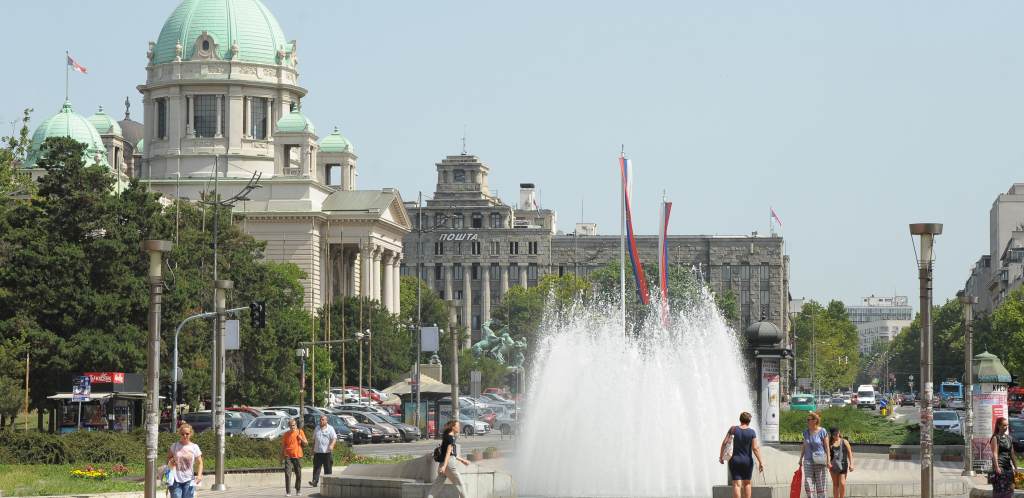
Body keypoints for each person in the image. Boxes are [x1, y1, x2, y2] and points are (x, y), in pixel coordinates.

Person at [718, 412, 764, 498]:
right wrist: (761, 462)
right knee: (747, 483)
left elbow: (724, 443)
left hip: (734, 461)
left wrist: (721, 457)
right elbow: (755, 448)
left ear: (740, 420)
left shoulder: (733, 429)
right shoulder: (752, 432)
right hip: (747, 461)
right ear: (749, 422)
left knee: (736, 485)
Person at [427, 419, 471, 498]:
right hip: (448, 464)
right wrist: (445, 466)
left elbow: (452, 454)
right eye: (458, 426)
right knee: (460, 485)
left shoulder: (446, 438)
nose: (459, 428)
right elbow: (448, 453)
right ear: (453, 427)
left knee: (435, 488)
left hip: (443, 464)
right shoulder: (451, 438)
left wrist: (462, 460)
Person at [165, 423, 203, 498]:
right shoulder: (175, 445)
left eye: (187, 433)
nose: (185, 436)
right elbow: (168, 457)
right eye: (182, 434)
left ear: (191, 434)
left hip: (189, 480)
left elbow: (200, 463)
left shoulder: (194, 447)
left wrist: (199, 476)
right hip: (175, 479)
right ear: (180, 434)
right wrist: (171, 461)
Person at [799, 411, 829, 498]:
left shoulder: (822, 431)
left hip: (820, 460)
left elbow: (827, 446)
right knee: (808, 482)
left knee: (821, 482)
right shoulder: (806, 431)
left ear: (815, 421)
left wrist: (829, 460)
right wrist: (801, 459)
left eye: (809, 420)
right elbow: (804, 445)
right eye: (807, 419)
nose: (807, 421)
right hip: (808, 460)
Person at [280, 418, 308, 496]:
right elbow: (283, 446)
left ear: (296, 425)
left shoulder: (300, 432)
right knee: (287, 473)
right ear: (288, 426)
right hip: (288, 455)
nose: (292, 427)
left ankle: (298, 488)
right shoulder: (286, 434)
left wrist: (301, 439)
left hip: (297, 455)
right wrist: (280, 457)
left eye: (294, 425)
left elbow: (306, 443)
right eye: (291, 425)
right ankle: (288, 491)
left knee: (298, 473)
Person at [991, 417, 1018, 498]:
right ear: (998, 425)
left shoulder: (1009, 438)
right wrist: (997, 467)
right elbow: (995, 453)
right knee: (1001, 487)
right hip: (999, 463)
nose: (1006, 427)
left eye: (1007, 425)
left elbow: (1012, 454)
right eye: (1004, 425)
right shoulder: (995, 437)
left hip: (1007, 464)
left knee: (1012, 487)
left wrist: (1016, 467)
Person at [309, 414, 337, 489]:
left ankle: (328, 482)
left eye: (323, 419)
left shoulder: (330, 428)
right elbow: (314, 440)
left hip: (326, 452)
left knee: (328, 467)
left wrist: (332, 445)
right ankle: (315, 481)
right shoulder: (317, 428)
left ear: (326, 420)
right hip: (318, 452)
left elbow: (334, 438)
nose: (321, 421)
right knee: (316, 467)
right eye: (320, 419)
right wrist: (312, 450)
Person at [828, 426, 854, 498]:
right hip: (833, 465)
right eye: (833, 434)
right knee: (835, 484)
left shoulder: (844, 441)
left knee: (842, 483)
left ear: (839, 432)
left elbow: (849, 452)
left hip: (843, 465)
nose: (835, 436)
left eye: (836, 434)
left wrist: (852, 464)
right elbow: (827, 453)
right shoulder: (830, 442)